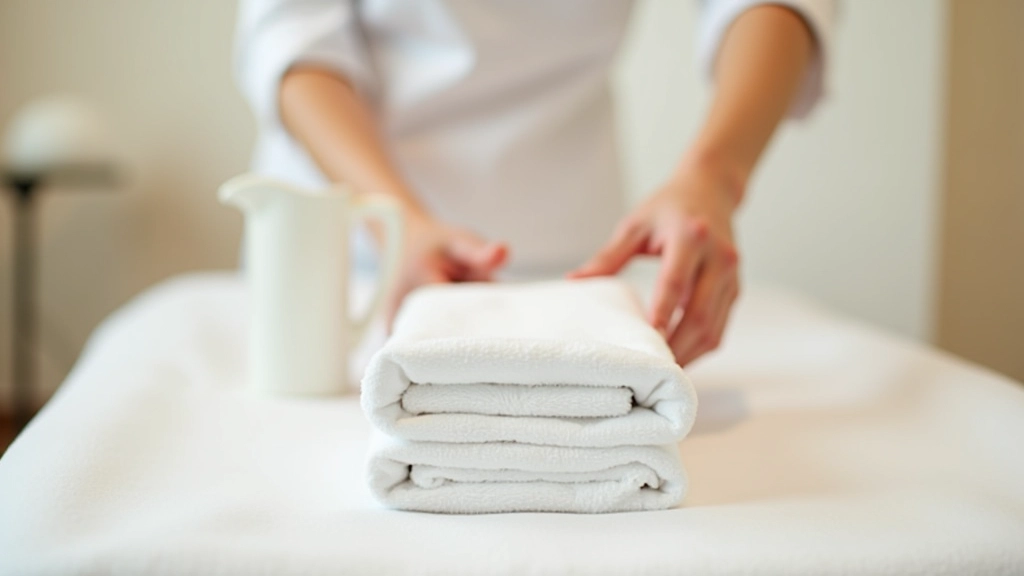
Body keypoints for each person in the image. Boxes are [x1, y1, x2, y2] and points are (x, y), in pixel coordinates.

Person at [234, 0, 833, 367]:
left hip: (573, 270)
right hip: (356, 261)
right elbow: (296, 42)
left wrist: (715, 175)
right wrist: (398, 225)